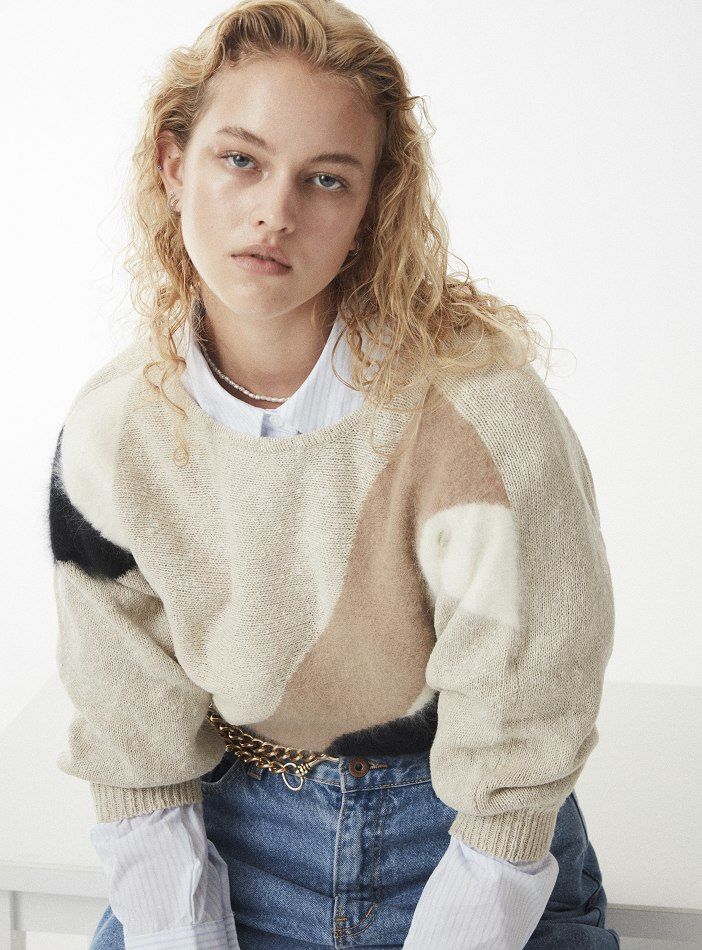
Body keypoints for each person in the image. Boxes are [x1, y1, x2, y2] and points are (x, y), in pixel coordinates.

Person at [46, 1, 621, 947]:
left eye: (325, 179)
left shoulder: (481, 415)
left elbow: (526, 713)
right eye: (241, 160)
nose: (275, 212)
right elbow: (134, 746)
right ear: (173, 165)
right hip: (229, 842)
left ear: (368, 211)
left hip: (465, 840)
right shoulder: (113, 436)